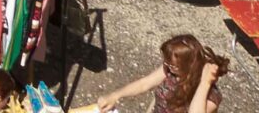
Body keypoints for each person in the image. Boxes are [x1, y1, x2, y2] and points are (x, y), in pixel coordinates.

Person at [96, 33, 229, 113]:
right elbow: (145, 83)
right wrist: (115, 95)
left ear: (190, 65)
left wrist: (205, 84)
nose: (168, 67)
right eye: (167, 62)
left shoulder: (211, 95)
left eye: (173, 65)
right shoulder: (171, 71)